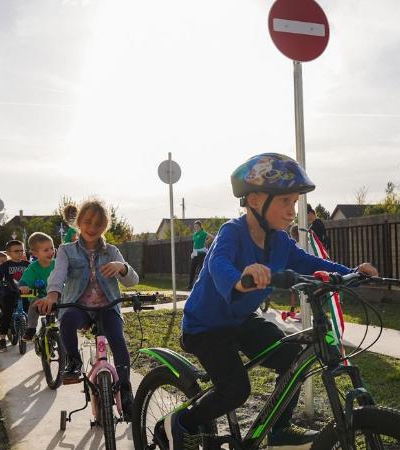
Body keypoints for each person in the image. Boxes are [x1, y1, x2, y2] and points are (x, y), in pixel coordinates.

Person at [162, 153, 378, 450]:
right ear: (254, 200)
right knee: (236, 389)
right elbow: (218, 263)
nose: (292, 211)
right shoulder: (232, 232)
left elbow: (308, 262)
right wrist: (241, 278)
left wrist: (352, 273)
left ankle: (278, 431)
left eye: (294, 203)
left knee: (293, 361)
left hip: (241, 321)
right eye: (285, 202)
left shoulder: (279, 241)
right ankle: (182, 423)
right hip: (205, 327)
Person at [39, 199, 139, 419]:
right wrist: (53, 295)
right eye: (87, 222)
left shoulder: (112, 251)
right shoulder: (66, 251)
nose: (92, 228)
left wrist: (121, 267)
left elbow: (132, 281)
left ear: (105, 226)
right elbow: (58, 274)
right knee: (66, 320)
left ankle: (125, 388)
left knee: (117, 339)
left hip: (107, 307)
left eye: (98, 224)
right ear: (78, 223)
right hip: (79, 306)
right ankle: (73, 361)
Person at [0, 240, 31, 351]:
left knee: (31, 312)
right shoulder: (5, 265)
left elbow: (35, 274)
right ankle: (2, 339)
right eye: (16, 251)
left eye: (21, 250)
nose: (19, 253)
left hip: (25, 293)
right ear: (8, 253)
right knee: (6, 315)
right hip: (9, 293)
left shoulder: (27, 264)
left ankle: (29, 332)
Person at [19, 232, 56, 341]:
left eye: (52, 248)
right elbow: (25, 280)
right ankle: (31, 328)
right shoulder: (33, 268)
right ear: (35, 254)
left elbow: (67, 276)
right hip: (39, 297)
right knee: (33, 305)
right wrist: (23, 287)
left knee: (67, 307)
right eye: (46, 250)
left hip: (55, 297)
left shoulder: (57, 264)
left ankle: (66, 325)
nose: (51, 252)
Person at [186, 220, 214, 290]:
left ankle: (202, 285)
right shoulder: (194, 234)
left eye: (197, 226)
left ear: (200, 226)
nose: (195, 228)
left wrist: (206, 242)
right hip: (195, 254)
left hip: (202, 254)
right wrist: (193, 252)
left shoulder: (203, 233)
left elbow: (212, 237)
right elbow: (194, 244)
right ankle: (190, 285)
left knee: (202, 270)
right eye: (195, 226)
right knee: (192, 269)